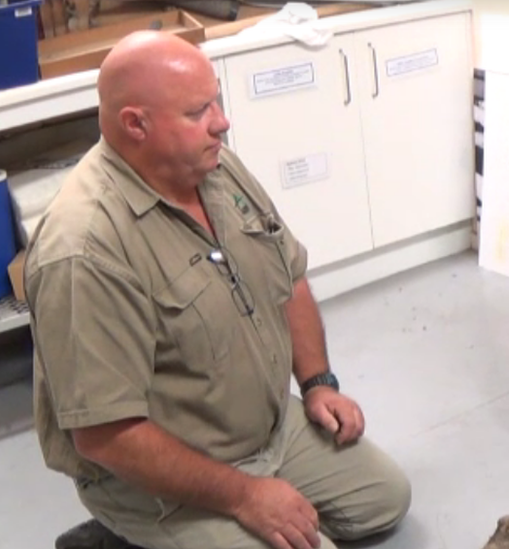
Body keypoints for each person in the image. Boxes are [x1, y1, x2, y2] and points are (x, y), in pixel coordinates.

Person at [25, 31, 410, 549]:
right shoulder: (84, 249)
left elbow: (286, 273)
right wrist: (245, 496)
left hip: (267, 430)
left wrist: (318, 382)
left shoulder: (214, 167)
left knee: (385, 500)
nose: (221, 121)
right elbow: (104, 436)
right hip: (160, 478)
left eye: (217, 102)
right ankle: (118, 534)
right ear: (135, 124)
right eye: (197, 111)